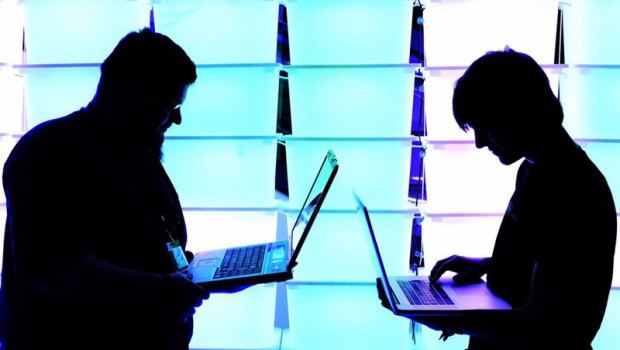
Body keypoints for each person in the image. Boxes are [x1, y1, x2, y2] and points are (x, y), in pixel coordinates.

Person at [378, 48, 617, 349]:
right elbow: (553, 264)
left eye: (484, 127)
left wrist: (448, 317)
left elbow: (542, 325)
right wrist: (493, 264)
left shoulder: (576, 191)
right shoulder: (536, 170)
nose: (479, 143)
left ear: (515, 115)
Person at [1, 28, 211, 350]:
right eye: (171, 105)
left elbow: (139, 244)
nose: (176, 120)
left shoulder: (134, 151)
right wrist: (164, 288)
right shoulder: (47, 153)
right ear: (131, 95)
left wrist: (190, 273)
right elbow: (52, 268)